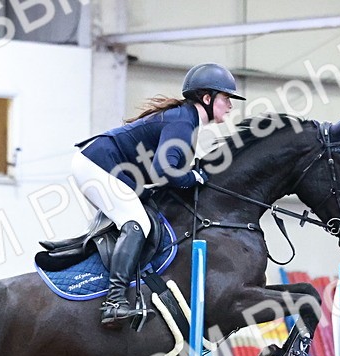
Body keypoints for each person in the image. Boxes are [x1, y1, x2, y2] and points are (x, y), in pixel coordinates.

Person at [72, 63, 244, 328]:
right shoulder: (183, 122)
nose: (230, 105)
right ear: (207, 98)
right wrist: (193, 178)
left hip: (110, 168)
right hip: (97, 165)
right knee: (137, 223)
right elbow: (164, 170)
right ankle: (114, 302)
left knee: (147, 214)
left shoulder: (186, 120)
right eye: (226, 98)